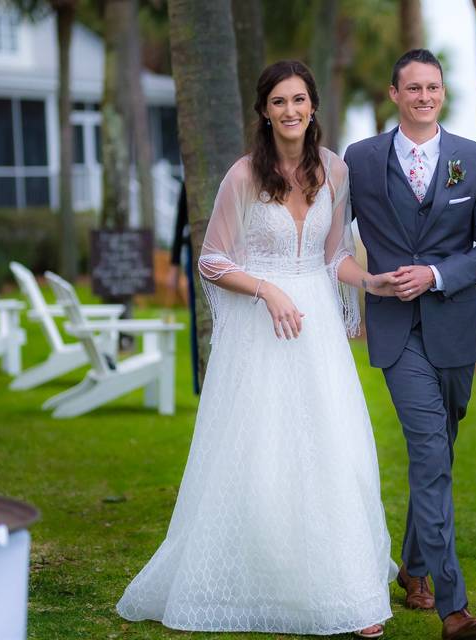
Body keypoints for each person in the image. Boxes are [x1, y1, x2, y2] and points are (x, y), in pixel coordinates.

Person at [116, 60, 398, 638]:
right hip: (260, 332)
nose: (290, 111)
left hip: (315, 326)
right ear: (264, 112)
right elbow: (212, 259)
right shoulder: (243, 176)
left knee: (332, 450)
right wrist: (266, 289)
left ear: (313, 106)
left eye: (299, 100)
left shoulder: (336, 171)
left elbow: (332, 255)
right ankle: (265, 577)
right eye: (278, 102)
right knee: (261, 455)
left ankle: (351, 592)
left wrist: (366, 282)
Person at [344, 48, 476, 640]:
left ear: (442, 93)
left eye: (433, 88)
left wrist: (438, 275)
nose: (423, 97)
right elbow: (331, 228)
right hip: (395, 331)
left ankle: (413, 569)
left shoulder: (473, 158)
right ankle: (453, 606)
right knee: (429, 452)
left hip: (455, 329)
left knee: (439, 452)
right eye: (412, 88)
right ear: (394, 93)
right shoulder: (361, 160)